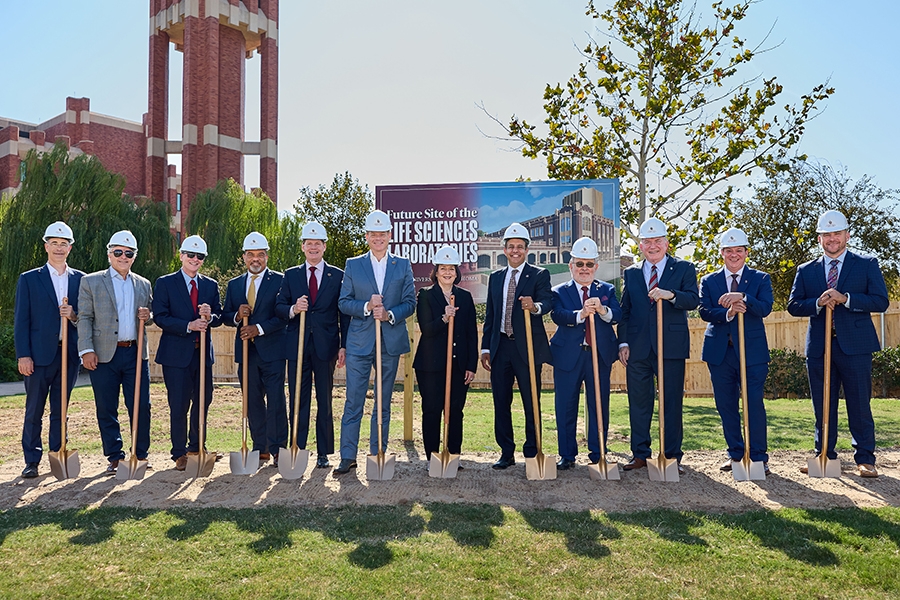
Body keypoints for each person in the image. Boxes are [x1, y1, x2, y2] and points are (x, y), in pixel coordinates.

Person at [788, 210, 889, 478]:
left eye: (836, 234)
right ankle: (824, 455)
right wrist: (818, 303)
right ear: (819, 238)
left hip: (856, 346)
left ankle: (865, 458)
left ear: (847, 235)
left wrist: (846, 298)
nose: (832, 239)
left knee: (859, 403)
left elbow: (880, 301)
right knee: (822, 404)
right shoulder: (806, 271)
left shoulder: (866, 264)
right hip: (820, 348)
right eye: (826, 235)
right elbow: (793, 305)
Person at [335, 210, 416, 474]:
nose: (378, 238)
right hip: (359, 343)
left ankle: (377, 451)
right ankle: (347, 456)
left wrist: (390, 314)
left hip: (389, 343)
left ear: (390, 236)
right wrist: (368, 306)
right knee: (353, 401)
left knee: (382, 402)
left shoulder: (402, 265)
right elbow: (344, 302)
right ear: (367, 237)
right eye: (373, 234)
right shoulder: (353, 264)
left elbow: (410, 303)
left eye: (382, 234)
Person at [617, 217, 698, 474]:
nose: (652, 246)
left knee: (671, 402)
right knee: (639, 403)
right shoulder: (631, 273)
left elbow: (694, 299)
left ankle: (671, 455)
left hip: (670, 347)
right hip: (638, 349)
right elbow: (625, 311)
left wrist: (671, 295)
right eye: (647, 242)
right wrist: (624, 342)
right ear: (640, 246)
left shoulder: (683, 268)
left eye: (657, 241)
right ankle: (640, 454)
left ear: (666, 243)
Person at [77, 231, 153, 475]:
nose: (123, 257)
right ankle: (115, 456)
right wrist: (86, 350)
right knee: (106, 407)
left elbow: (149, 316)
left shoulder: (143, 283)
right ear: (109, 253)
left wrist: (148, 317)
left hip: (135, 353)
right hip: (103, 355)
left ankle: (140, 454)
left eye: (128, 253)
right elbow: (85, 317)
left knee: (141, 406)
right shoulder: (91, 281)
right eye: (118, 252)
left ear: (134, 257)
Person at [698, 227, 773, 475]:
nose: (734, 255)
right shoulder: (709, 281)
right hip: (720, 353)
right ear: (722, 253)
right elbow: (705, 311)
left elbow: (765, 307)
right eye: (729, 250)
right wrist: (729, 312)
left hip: (752, 353)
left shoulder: (760, 279)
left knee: (753, 404)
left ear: (746, 253)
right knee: (726, 405)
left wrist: (744, 298)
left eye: (738, 250)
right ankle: (736, 454)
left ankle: (759, 456)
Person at [275, 221, 348, 469]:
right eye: (309, 243)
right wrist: (294, 308)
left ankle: (324, 453)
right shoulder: (291, 274)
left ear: (324, 246)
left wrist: (343, 345)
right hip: (297, 347)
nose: (313, 247)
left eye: (318, 243)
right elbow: (279, 307)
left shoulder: (337, 275)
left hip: (326, 346)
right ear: (303, 246)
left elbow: (344, 314)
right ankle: (298, 447)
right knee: (298, 399)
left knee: (325, 400)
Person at [14, 221, 84, 479]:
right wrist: (23, 355)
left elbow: (86, 318)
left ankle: (58, 454)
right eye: (54, 243)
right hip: (38, 356)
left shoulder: (81, 280)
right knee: (34, 409)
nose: (58, 248)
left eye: (63, 244)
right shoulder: (30, 279)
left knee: (60, 409)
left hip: (68, 355)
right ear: (46, 246)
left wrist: (73, 315)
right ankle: (32, 460)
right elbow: (21, 321)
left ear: (70, 248)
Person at [480, 222, 552, 470]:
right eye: (511, 247)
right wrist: (486, 347)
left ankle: (533, 451)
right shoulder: (496, 277)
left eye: (520, 247)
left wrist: (534, 307)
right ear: (504, 249)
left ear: (526, 249)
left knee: (531, 401)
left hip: (528, 350)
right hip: (501, 347)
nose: (515, 251)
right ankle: (506, 452)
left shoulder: (539, 274)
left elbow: (547, 303)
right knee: (501, 401)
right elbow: (491, 314)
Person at [152, 235, 223, 471]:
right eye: (190, 255)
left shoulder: (210, 286)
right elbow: (160, 317)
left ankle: (197, 446)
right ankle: (179, 453)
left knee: (203, 400)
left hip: (202, 355)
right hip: (176, 355)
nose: (194, 259)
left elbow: (219, 317)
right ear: (181, 256)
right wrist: (188, 325)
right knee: (179, 404)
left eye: (199, 256)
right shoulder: (165, 283)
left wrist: (209, 316)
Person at [550, 237, 622, 470]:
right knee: (565, 405)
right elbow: (558, 315)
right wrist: (581, 314)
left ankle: (598, 451)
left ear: (596, 267)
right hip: (567, 356)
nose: (584, 269)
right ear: (571, 266)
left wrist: (602, 310)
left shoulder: (608, 289)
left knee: (599, 404)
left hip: (598, 356)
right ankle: (567, 455)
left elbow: (618, 315)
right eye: (579, 264)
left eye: (589, 264)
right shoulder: (559, 291)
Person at [223, 232, 288, 467]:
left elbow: (283, 317)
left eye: (260, 254)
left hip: (273, 352)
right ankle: (261, 448)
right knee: (252, 402)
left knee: (277, 400)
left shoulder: (280, 281)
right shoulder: (234, 285)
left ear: (267, 257)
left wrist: (258, 328)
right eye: (251, 254)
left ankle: (279, 447)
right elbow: (225, 317)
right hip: (246, 354)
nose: (255, 259)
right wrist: (237, 315)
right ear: (244, 257)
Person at [412, 245, 478, 463]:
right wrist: (444, 317)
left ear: (457, 271)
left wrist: (471, 365)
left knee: (455, 412)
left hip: (458, 366)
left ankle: (452, 456)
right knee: (431, 410)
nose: (447, 272)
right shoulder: (425, 295)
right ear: (436, 271)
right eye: (443, 268)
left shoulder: (465, 297)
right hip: (430, 366)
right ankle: (433, 458)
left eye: (451, 268)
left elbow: (471, 334)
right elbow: (427, 329)